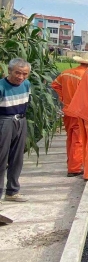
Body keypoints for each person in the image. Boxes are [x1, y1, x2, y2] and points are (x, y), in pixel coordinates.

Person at [51, 52, 88, 177]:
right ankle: (75, 168)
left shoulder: (66, 72)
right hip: (80, 112)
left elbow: (55, 85)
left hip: (68, 110)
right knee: (79, 140)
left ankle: (72, 163)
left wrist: (64, 97)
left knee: (70, 138)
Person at [0, 58, 31, 202]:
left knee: (17, 158)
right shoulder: (1, 86)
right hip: (4, 121)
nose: (21, 77)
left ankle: (12, 191)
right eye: (17, 73)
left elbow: (27, 102)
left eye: (25, 74)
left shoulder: (26, 84)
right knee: (1, 158)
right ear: (9, 71)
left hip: (21, 120)